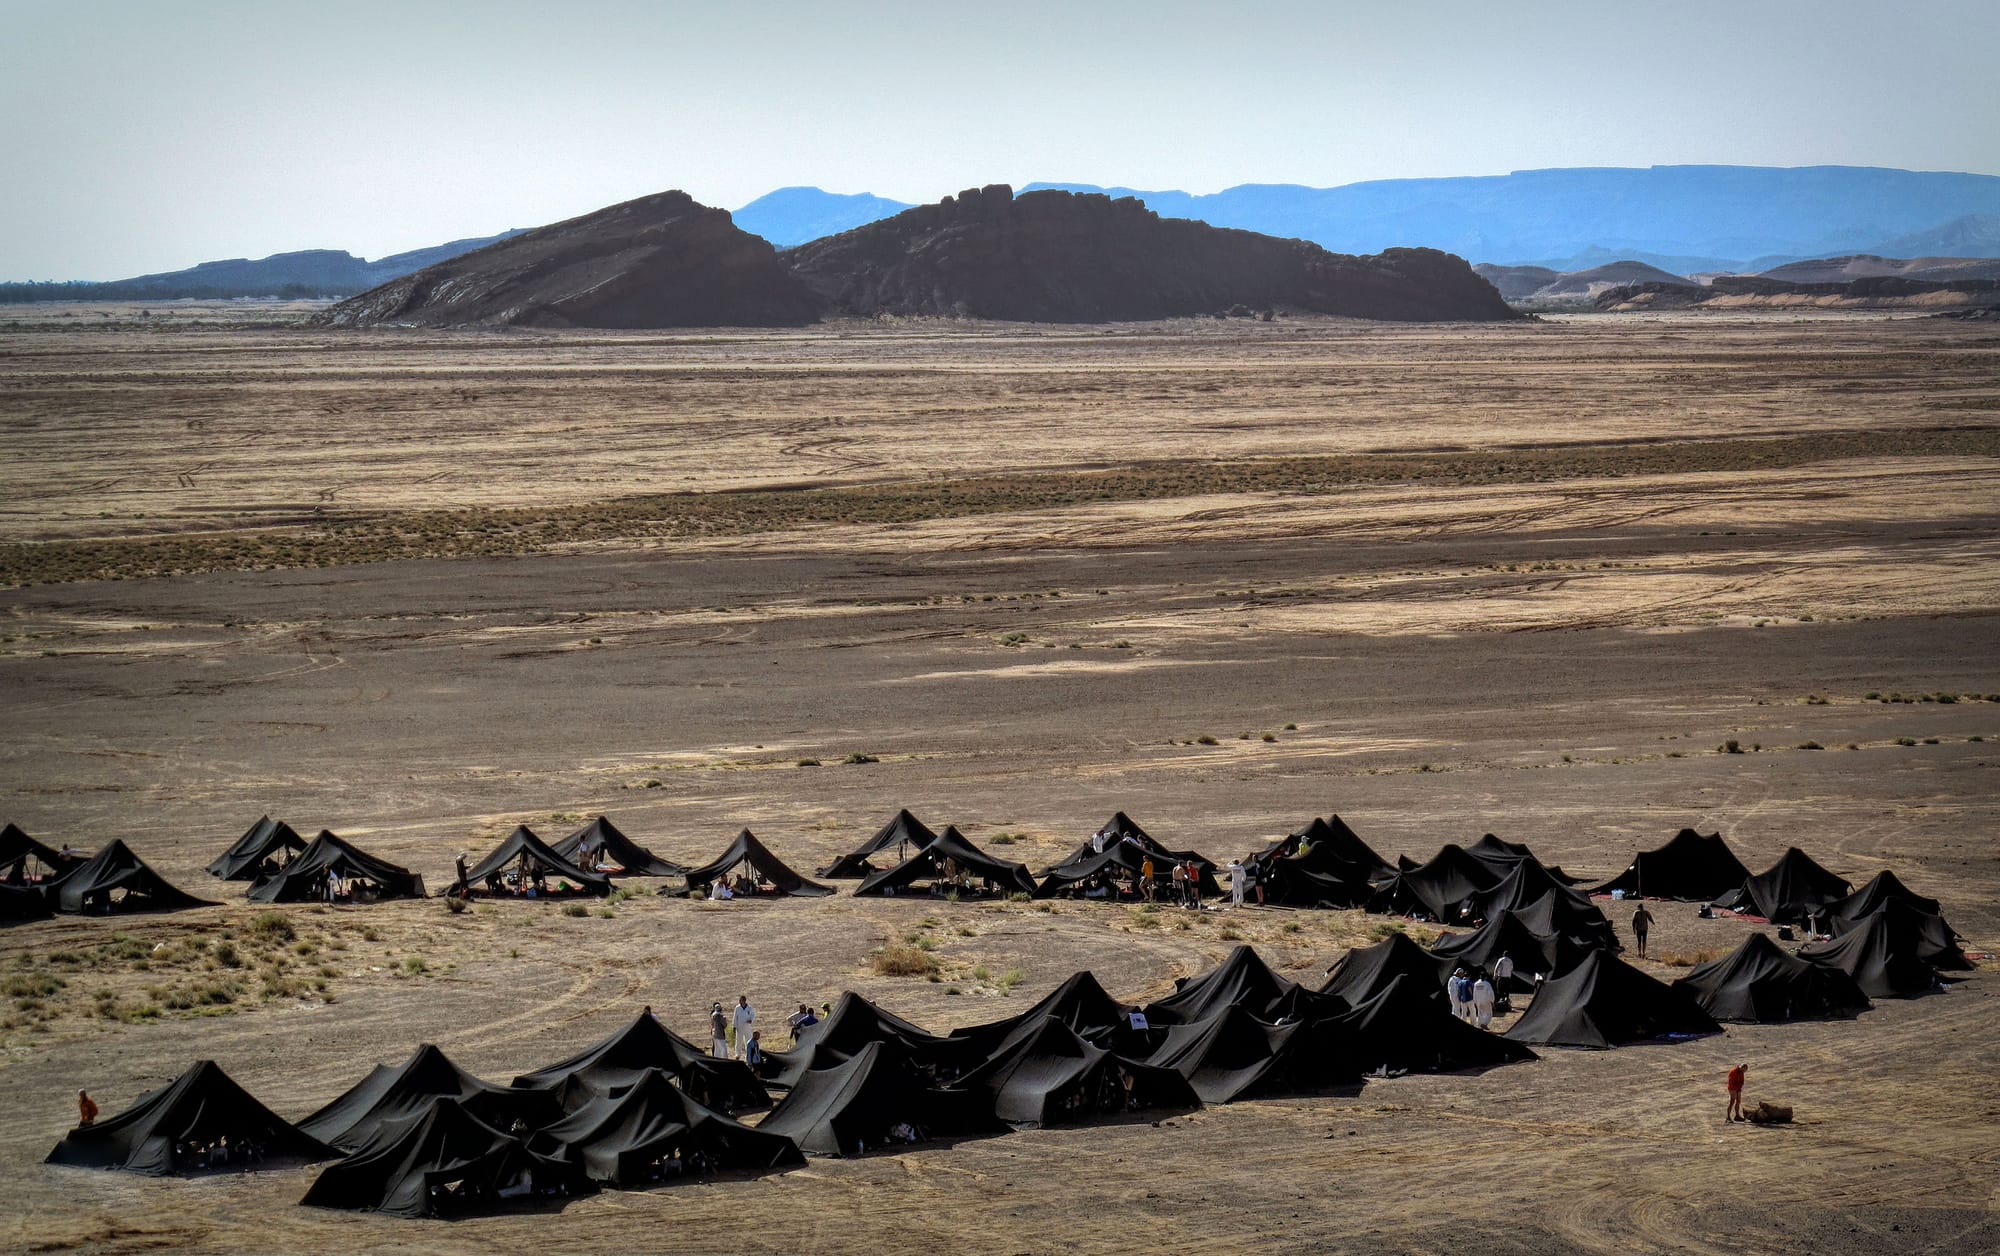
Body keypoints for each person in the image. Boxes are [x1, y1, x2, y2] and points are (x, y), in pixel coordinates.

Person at [733, 994, 755, 1060]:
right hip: (739, 1026)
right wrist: (734, 1026)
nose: (740, 1001)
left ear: (744, 1001)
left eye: (741, 1000)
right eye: (739, 1000)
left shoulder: (749, 1008)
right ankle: (738, 1054)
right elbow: (735, 1017)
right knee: (738, 1041)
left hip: (747, 1026)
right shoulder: (737, 1008)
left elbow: (753, 1015)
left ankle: (748, 1054)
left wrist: (751, 1020)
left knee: (748, 1040)